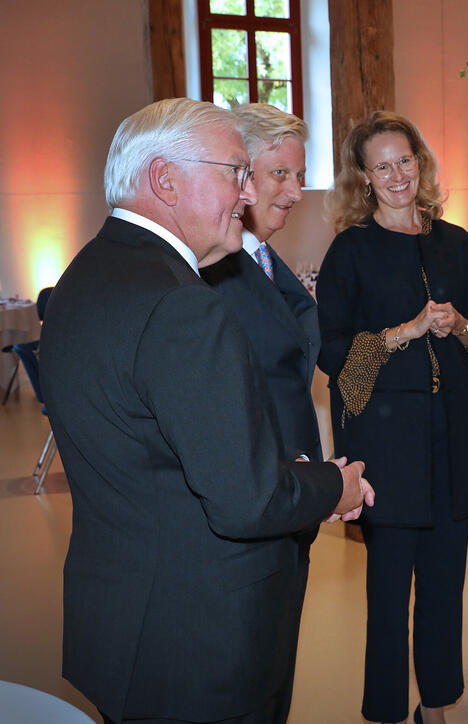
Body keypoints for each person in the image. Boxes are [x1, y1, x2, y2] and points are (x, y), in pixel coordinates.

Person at [38, 98, 372, 724]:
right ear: (164, 178)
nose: (246, 195)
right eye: (234, 172)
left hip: (125, 615)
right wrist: (334, 484)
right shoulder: (183, 304)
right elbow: (246, 498)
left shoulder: (88, 272)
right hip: (200, 634)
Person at [317, 111, 468, 724]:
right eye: (382, 165)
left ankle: (437, 707)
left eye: (405, 160)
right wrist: (407, 331)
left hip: (451, 445)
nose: (397, 175)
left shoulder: (456, 241)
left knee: (445, 591)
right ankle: (387, 712)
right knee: (388, 596)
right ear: (363, 179)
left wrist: (463, 326)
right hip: (385, 452)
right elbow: (334, 356)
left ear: (421, 162)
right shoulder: (350, 251)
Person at [200, 102, 321, 714]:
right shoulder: (213, 272)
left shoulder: (262, 261)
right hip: (258, 509)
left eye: (299, 176)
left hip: (289, 505)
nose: (296, 192)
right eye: (282, 175)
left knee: (275, 674)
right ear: (241, 177)